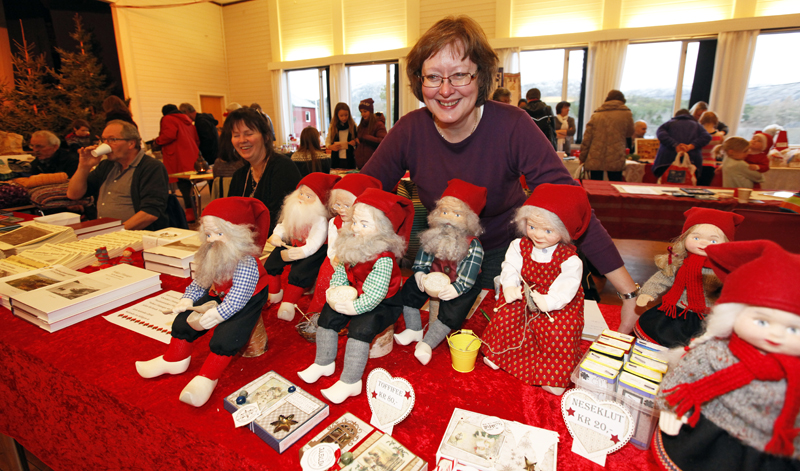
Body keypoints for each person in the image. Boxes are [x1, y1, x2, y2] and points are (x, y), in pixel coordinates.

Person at [360, 15, 641, 333]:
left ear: (480, 77)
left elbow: (571, 206)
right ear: (419, 81)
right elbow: (363, 193)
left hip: (505, 257)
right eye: (433, 77)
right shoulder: (409, 130)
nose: (446, 90)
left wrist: (628, 293)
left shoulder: (513, 125)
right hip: (442, 255)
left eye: (460, 75)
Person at [656, 240, 800, 471]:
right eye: (762, 322)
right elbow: (683, 377)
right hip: (709, 434)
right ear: (733, 315)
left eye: (793, 329)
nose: (776, 334)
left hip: (771, 447)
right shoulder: (715, 352)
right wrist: (670, 406)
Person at [135, 197, 271, 407]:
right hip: (220, 292)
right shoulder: (212, 251)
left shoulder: (246, 262)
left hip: (248, 297)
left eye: (218, 233)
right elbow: (201, 281)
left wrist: (218, 315)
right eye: (208, 234)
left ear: (237, 233)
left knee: (227, 335)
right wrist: (187, 299)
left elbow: (239, 296)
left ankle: (207, 377)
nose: (211, 240)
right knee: (184, 320)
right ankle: (174, 359)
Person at [297, 189, 413, 404]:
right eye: (355, 222)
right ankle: (324, 362)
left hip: (382, 302)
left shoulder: (383, 258)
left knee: (361, 328)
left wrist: (355, 307)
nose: (356, 228)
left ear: (383, 230)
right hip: (355, 293)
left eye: (364, 224)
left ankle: (351, 381)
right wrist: (335, 290)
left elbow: (376, 293)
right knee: (328, 316)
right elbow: (341, 270)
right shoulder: (352, 243)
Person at [482, 184, 591, 396]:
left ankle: (553, 376)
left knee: (558, 331)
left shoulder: (570, 260)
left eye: (548, 231)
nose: (538, 235)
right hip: (524, 292)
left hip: (556, 301)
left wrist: (550, 301)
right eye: (532, 227)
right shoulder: (519, 246)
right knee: (505, 317)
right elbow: (510, 266)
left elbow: (567, 286)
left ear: (565, 230)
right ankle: (500, 356)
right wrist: (509, 285)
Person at [394, 179, 485, 366]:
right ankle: (414, 329)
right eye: (444, 212)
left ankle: (427, 343)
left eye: (457, 214)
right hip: (432, 275)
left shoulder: (472, 244)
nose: (448, 218)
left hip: (461, 283)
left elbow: (470, 271)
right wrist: (419, 273)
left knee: (453, 310)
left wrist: (457, 288)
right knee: (409, 291)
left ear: (469, 219)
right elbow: (424, 256)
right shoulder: (433, 234)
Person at [634, 208, 743, 347]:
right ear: (685, 238)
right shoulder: (679, 262)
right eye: (696, 238)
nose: (703, 243)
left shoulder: (724, 269)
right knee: (661, 335)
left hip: (707, 316)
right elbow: (662, 277)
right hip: (676, 312)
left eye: (713, 240)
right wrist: (648, 292)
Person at [66, 120, 169, 231]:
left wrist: (116, 232)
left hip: (137, 235)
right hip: (106, 231)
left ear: (131, 143)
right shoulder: (107, 165)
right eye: (104, 140)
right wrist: (83, 167)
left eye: (112, 140)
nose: (105, 145)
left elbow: (150, 213)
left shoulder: (151, 167)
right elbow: (73, 194)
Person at [305, 174, 383, 317]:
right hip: (337, 259)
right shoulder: (334, 222)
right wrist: (334, 257)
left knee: (361, 286)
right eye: (337, 204)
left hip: (360, 262)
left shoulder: (367, 227)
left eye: (347, 205)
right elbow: (332, 246)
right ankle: (318, 313)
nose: (341, 209)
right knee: (326, 277)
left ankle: (354, 311)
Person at [264, 173, 340, 321]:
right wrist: (277, 236)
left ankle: (288, 304)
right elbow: (284, 225)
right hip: (292, 242)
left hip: (313, 249)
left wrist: (303, 252)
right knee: (272, 262)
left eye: (308, 196)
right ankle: (274, 292)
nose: (302, 198)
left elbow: (315, 241)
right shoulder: (294, 209)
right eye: (301, 193)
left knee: (300, 272)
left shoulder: (319, 219)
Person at [226, 107, 302, 235]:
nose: (242, 140)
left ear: (266, 137)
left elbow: (279, 221)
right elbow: (229, 217)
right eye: (236, 135)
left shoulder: (282, 168)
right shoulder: (239, 176)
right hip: (246, 242)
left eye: (248, 134)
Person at [155, 104, 201, 222]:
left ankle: (190, 211)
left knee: (183, 184)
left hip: (178, 156)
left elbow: (169, 135)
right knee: (189, 185)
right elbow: (196, 139)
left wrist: (157, 141)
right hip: (191, 154)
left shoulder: (168, 119)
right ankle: (193, 209)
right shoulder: (187, 120)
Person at [580, 90, 635, 181]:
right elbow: (630, 132)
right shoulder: (626, 114)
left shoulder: (596, 115)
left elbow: (587, 139)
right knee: (615, 184)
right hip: (616, 155)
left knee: (595, 185)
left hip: (596, 155)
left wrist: (582, 157)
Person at [652, 109, 711, 181]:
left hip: (666, 161)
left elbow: (661, 135)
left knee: (666, 184)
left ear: (676, 116)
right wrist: (690, 146)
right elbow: (707, 137)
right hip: (691, 161)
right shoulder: (697, 126)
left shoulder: (668, 124)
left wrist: (675, 145)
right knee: (687, 184)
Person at [354, 98, 388, 169]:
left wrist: (365, 137)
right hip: (361, 165)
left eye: (365, 111)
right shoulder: (361, 125)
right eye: (361, 112)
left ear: (370, 111)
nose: (363, 114)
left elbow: (383, 141)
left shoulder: (379, 124)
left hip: (374, 165)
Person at [326, 103, 357, 169]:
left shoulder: (353, 126)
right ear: (337, 115)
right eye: (341, 116)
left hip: (350, 158)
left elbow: (357, 140)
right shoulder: (333, 127)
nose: (344, 118)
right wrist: (331, 147)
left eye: (346, 115)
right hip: (336, 159)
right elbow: (327, 141)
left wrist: (354, 142)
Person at [697, 111, 724, 186]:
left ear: (701, 120)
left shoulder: (697, 134)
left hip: (697, 163)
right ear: (716, 121)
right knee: (705, 186)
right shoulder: (719, 136)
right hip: (710, 164)